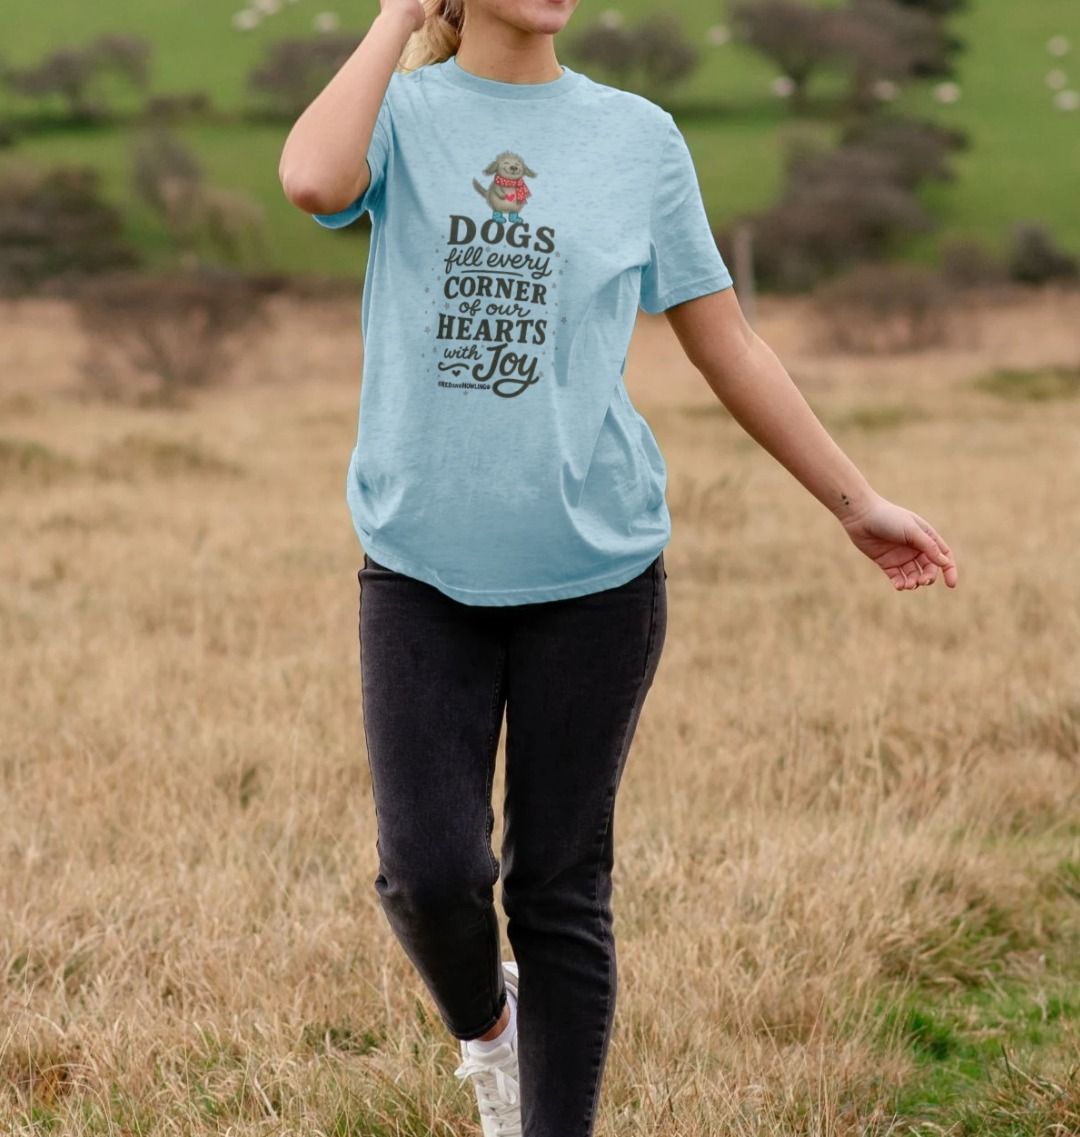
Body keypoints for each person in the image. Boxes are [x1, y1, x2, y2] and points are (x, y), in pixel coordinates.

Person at [278, 0, 960, 1133]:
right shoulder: (399, 115)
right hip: (419, 569)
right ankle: (488, 1029)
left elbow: (728, 342)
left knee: (560, 888)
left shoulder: (638, 136)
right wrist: (398, 11)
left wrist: (856, 502)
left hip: (595, 577)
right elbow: (311, 180)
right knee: (430, 875)